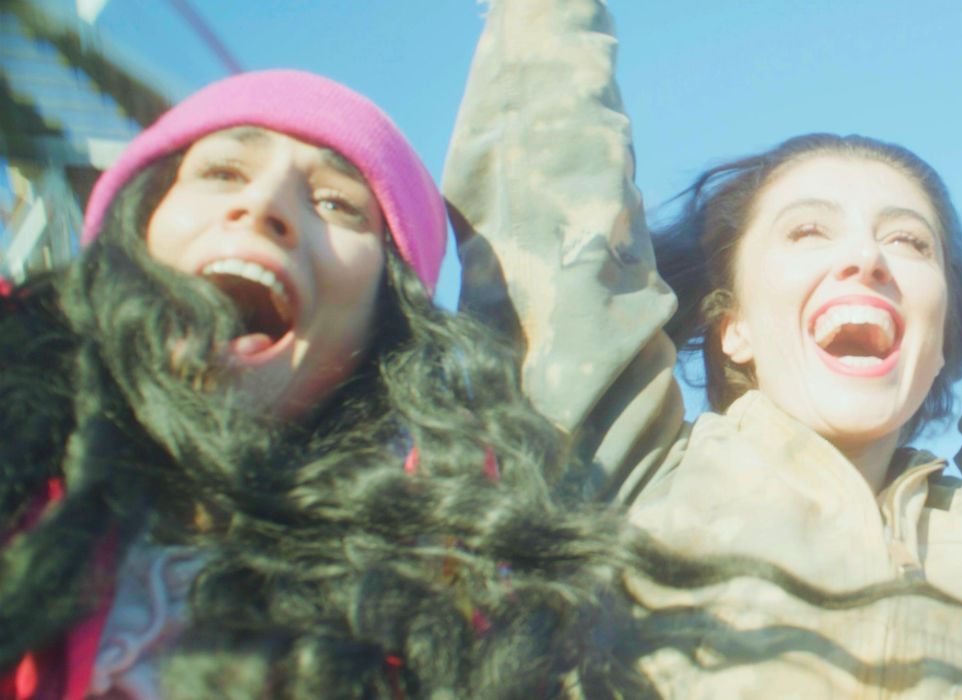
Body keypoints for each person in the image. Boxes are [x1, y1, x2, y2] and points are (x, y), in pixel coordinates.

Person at [444, 0, 962, 697]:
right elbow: (553, 202)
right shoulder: (624, 485)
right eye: (809, 230)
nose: (866, 259)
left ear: (939, 346)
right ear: (735, 327)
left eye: (909, 242)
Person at [0, 69, 730, 699]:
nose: (265, 206)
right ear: (136, 229)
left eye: (336, 203)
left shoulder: (439, 621)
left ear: (385, 328)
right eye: (222, 172)